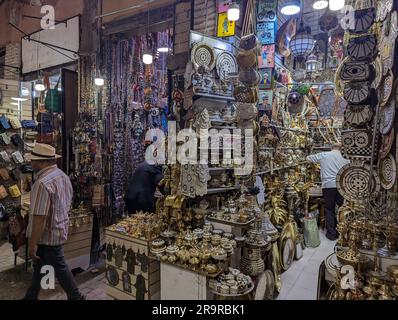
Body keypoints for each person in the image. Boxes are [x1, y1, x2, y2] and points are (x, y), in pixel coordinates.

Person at [23, 143, 84, 300]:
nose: (31, 163)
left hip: (47, 235)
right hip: (58, 228)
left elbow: (40, 217)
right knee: (40, 266)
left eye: (33, 160)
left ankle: (76, 297)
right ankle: (31, 296)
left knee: (60, 267)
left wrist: (32, 243)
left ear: (41, 162)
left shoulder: (42, 183)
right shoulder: (62, 176)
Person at [307, 143, 350, 241]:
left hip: (328, 186)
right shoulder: (345, 158)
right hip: (341, 185)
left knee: (329, 209)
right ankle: (343, 233)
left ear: (332, 148)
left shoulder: (324, 155)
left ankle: (332, 234)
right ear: (340, 149)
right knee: (342, 208)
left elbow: (308, 158)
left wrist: (316, 167)